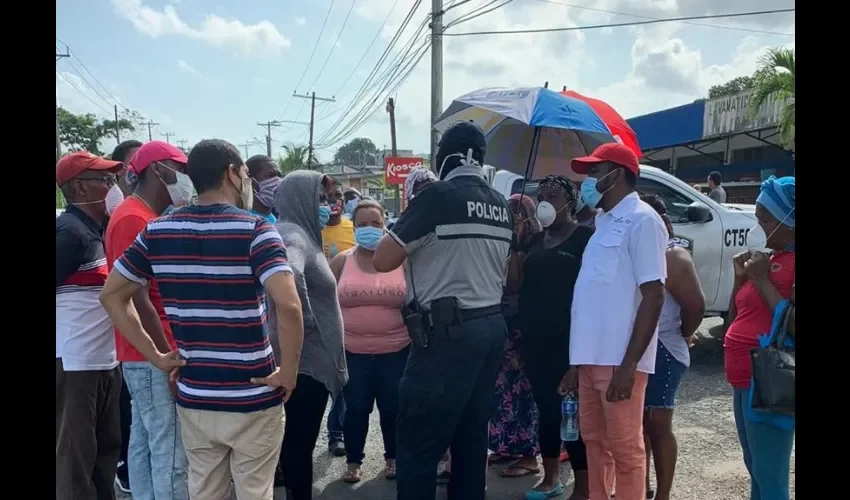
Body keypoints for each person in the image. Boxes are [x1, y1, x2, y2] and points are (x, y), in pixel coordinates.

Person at [99, 139, 305, 500]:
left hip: (196, 393)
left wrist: (158, 358)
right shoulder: (257, 231)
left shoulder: (156, 231)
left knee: (204, 489)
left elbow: (112, 295)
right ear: (231, 173)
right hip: (253, 391)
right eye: (244, 173)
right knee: (254, 491)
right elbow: (288, 307)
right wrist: (288, 371)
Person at [373, 121, 512, 500]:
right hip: (488, 329)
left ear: (448, 157)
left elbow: (384, 260)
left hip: (445, 336)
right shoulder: (501, 205)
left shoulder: (436, 196)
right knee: (470, 439)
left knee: (418, 445)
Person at [568, 142, 668, 500]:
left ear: (618, 174)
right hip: (590, 359)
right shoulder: (601, 224)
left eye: (596, 172)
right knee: (594, 443)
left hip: (619, 361)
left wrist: (629, 365)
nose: (590, 180)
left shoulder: (643, 221)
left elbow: (654, 295)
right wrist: (576, 364)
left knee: (626, 451)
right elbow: (593, 299)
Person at [104, 141, 192, 500]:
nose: (187, 178)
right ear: (159, 169)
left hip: (142, 352)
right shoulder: (134, 219)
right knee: (171, 452)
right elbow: (137, 298)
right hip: (150, 353)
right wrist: (167, 353)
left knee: (144, 443)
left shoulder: (141, 215)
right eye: (181, 168)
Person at [508, 177, 592, 500]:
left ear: (570, 202)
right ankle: (550, 478)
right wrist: (516, 243)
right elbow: (514, 285)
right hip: (536, 342)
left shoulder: (585, 238)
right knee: (546, 411)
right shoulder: (534, 242)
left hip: (569, 343)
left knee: (571, 414)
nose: (544, 201)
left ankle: (584, 487)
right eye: (540, 196)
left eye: (552, 196)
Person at [271, 170, 348, 499]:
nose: (326, 205)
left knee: (296, 446)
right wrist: (306, 321)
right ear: (299, 198)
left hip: (306, 361)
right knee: (298, 448)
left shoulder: (300, 232)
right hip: (305, 364)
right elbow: (290, 274)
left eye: (328, 199)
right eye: (319, 198)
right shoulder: (292, 236)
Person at [56, 151, 125, 500]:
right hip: (75, 364)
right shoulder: (69, 233)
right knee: (75, 460)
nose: (113, 187)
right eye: (106, 181)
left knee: (105, 455)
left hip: (104, 362)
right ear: (80, 188)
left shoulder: (97, 230)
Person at [724, 176, 795, 500]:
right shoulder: (770, 258)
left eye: (765, 219)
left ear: (788, 219)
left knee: (771, 475)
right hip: (744, 381)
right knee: (756, 466)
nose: (759, 226)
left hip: (771, 382)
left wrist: (763, 279)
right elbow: (737, 315)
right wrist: (742, 280)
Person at [329, 199, 409, 483]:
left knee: (393, 408)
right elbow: (327, 307)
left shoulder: (402, 260)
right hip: (353, 352)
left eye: (375, 224)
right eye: (362, 224)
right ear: (353, 226)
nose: (369, 230)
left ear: (385, 224)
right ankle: (353, 463)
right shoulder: (342, 261)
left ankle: (393, 459)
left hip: (397, 350)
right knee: (356, 410)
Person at [640, 194, 706, 500]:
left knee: (657, 424)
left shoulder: (673, 256)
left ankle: (663, 494)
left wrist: (684, 332)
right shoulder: (640, 251)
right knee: (639, 426)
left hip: (665, 347)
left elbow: (696, 307)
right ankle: (641, 488)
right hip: (641, 348)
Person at [488, 194, 541, 479]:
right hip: (501, 323)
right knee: (501, 390)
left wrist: (518, 246)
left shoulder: (535, 244)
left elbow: (517, 282)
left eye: (520, 212)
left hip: (525, 326)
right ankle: (505, 445)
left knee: (524, 393)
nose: (514, 217)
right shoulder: (499, 241)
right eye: (509, 212)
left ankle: (529, 456)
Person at [108, 138, 142, 494]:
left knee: (146, 433)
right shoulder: (131, 216)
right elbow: (130, 293)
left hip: (135, 347)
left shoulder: (138, 213)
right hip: (137, 349)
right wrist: (159, 350)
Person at [321, 177, 354, 456]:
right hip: (318, 315)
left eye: (337, 196)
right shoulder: (310, 229)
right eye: (327, 197)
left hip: (349, 316)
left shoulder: (353, 228)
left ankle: (337, 433)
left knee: (343, 381)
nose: (333, 202)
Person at [247, 154, 283, 223]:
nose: (278, 181)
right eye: (270, 175)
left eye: (279, 176)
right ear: (251, 182)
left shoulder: (276, 219)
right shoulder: (247, 221)